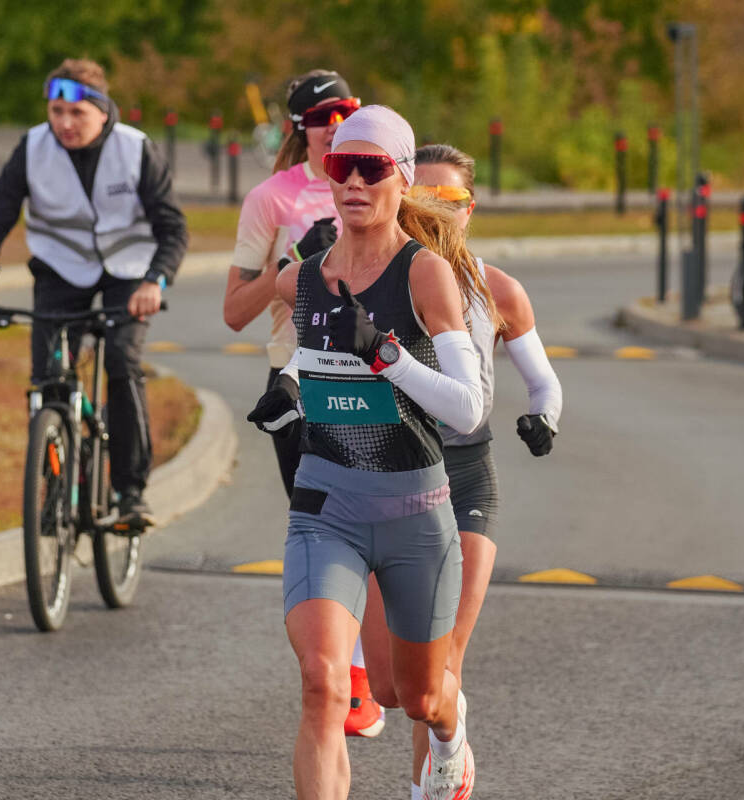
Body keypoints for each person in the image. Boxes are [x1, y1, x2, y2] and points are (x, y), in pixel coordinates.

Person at [247, 105, 483, 800]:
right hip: (326, 505)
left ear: (401, 178)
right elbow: (308, 353)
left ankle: (449, 733)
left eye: (371, 167)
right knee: (324, 683)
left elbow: (469, 409)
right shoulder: (306, 275)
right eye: (339, 165)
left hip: (415, 509)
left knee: (410, 694)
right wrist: (286, 388)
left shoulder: (425, 276)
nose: (352, 180)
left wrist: (383, 355)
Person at [359, 143, 563, 800]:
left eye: (448, 201)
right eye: (422, 196)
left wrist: (544, 419)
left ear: (468, 209)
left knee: (438, 665)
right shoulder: (377, 277)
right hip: (387, 482)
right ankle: (451, 730)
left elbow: (544, 382)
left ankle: (434, 779)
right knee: (390, 686)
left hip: (465, 481)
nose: (432, 210)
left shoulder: (495, 287)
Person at [222, 69, 386, 739]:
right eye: (321, 116)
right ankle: (342, 678)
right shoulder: (271, 198)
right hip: (295, 380)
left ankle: (364, 675)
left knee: (377, 529)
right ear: (300, 129)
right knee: (324, 534)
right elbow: (234, 312)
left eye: (347, 109)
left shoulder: (378, 180)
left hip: (375, 378)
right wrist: (289, 267)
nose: (336, 123)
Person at [0, 58, 187, 528]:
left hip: (128, 273)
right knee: (47, 379)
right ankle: (55, 481)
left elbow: (173, 228)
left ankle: (129, 490)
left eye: (76, 114)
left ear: (103, 112)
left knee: (121, 361)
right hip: (60, 270)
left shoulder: (134, 149)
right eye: (55, 111)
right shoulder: (33, 147)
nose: (64, 123)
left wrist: (154, 281)